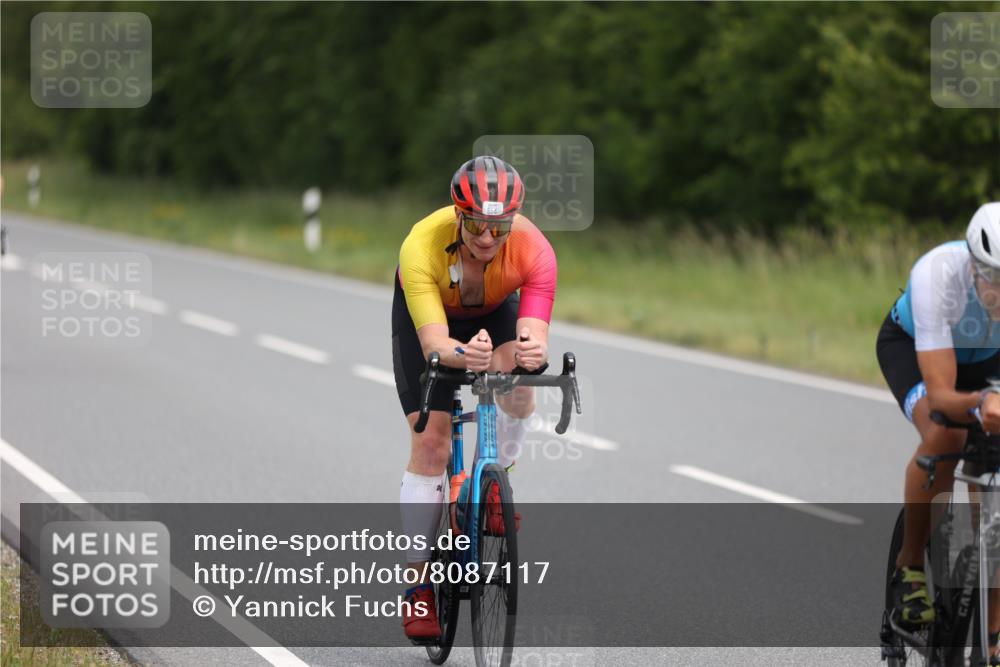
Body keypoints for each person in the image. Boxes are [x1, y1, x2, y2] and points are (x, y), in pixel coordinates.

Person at [392, 155, 557, 640]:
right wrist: (467, 354)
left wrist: (530, 351)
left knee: (520, 387)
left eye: (499, 228)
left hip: (492, 310)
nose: (487, 239)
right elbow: (435, 347)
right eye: (477, 226)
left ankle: (495, 485)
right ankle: (419, 587)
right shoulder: (421, 244)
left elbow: (532, 333)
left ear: (514, 222)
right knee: (431, 442)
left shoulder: (534, 249)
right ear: (458, 215)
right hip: (430, 321)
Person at [879, 202, 1000, 660]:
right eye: (993, 278)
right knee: (945, 432)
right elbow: (944, 394)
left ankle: (990, 638)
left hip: (987, 361)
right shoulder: (937, 275)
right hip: (915, 350)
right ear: (973, 264)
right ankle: (909, 565)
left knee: (997, 492)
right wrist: (981, 403)